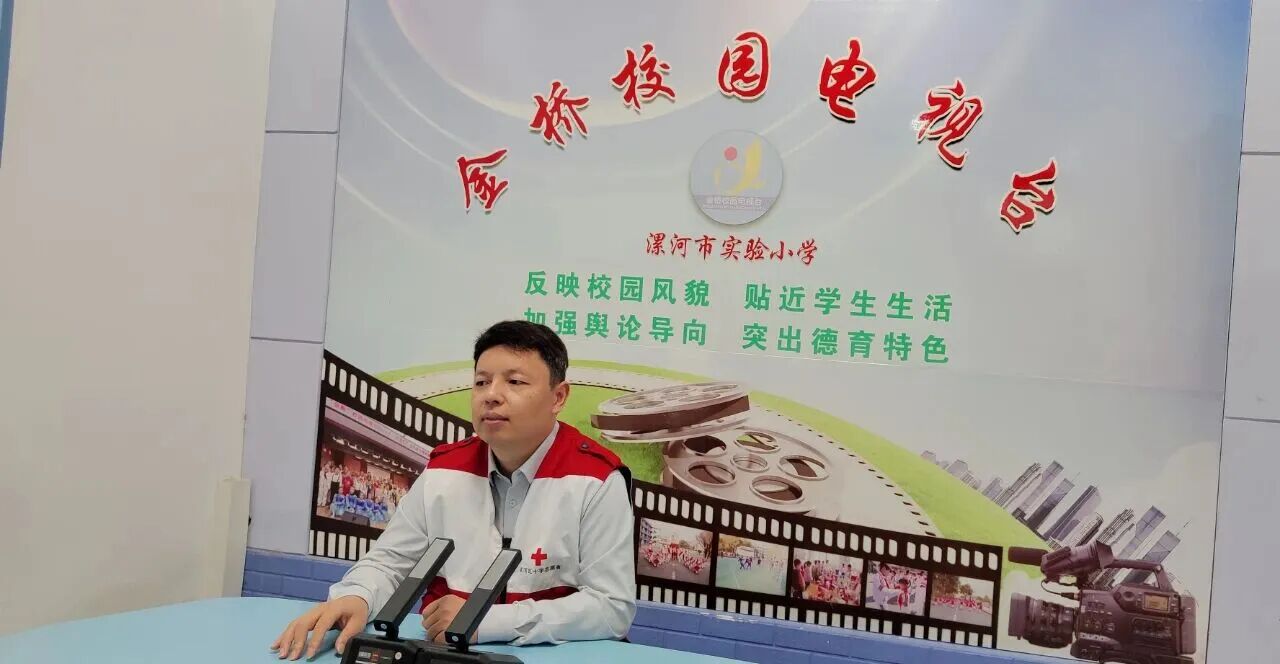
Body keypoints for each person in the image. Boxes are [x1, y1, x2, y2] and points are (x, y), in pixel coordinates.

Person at [271, 320, 636, 660]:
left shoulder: (596, 479)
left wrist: (487, 621)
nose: (491, 395)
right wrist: (358, 596)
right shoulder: (445, 470)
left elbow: (611, 608)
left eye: (514, 382)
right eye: (481, 382)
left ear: (558, 397)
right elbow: (390, 562)